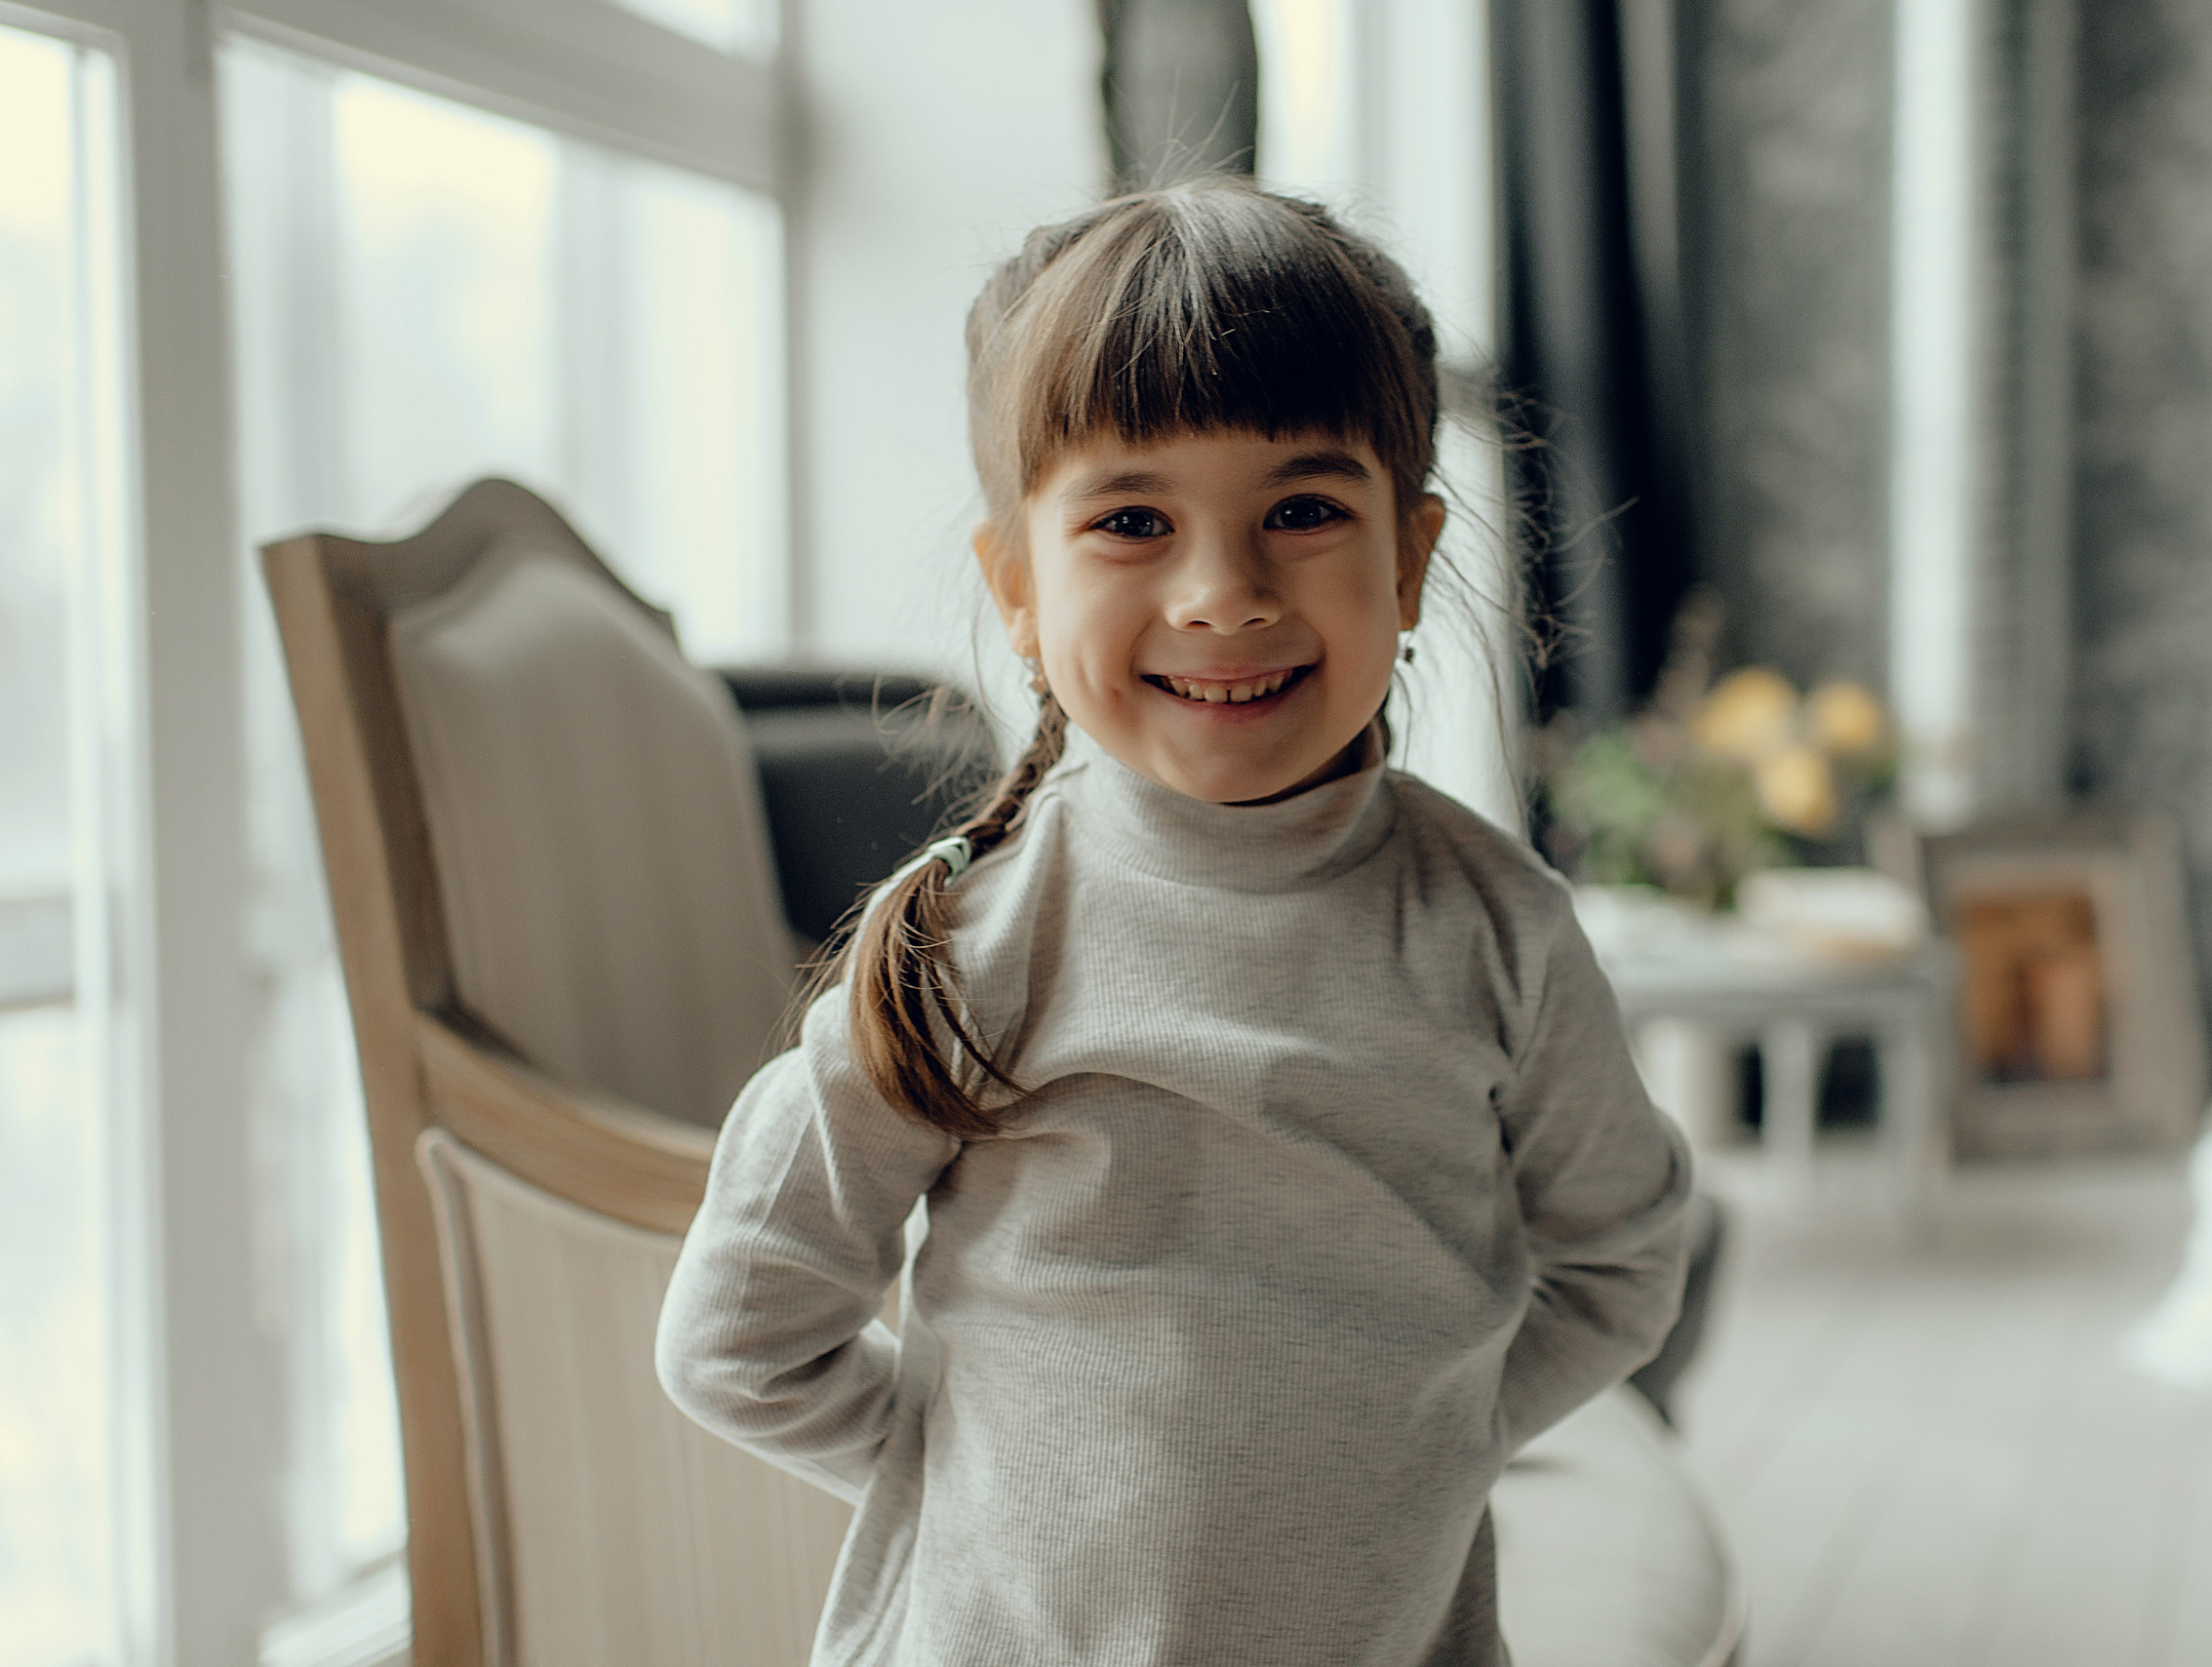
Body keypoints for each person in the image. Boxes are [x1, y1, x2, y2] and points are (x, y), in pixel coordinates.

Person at [655, 178, 1692, 1667]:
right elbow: (737, 1337)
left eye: (1304, 510)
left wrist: (1423, 1444)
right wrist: (974, 1479)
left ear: (1407, 559)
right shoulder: (969, 944)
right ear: (1019, 585)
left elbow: (1621, 1260)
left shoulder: (1497, 930)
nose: (1224, 592)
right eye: (1134, 518)